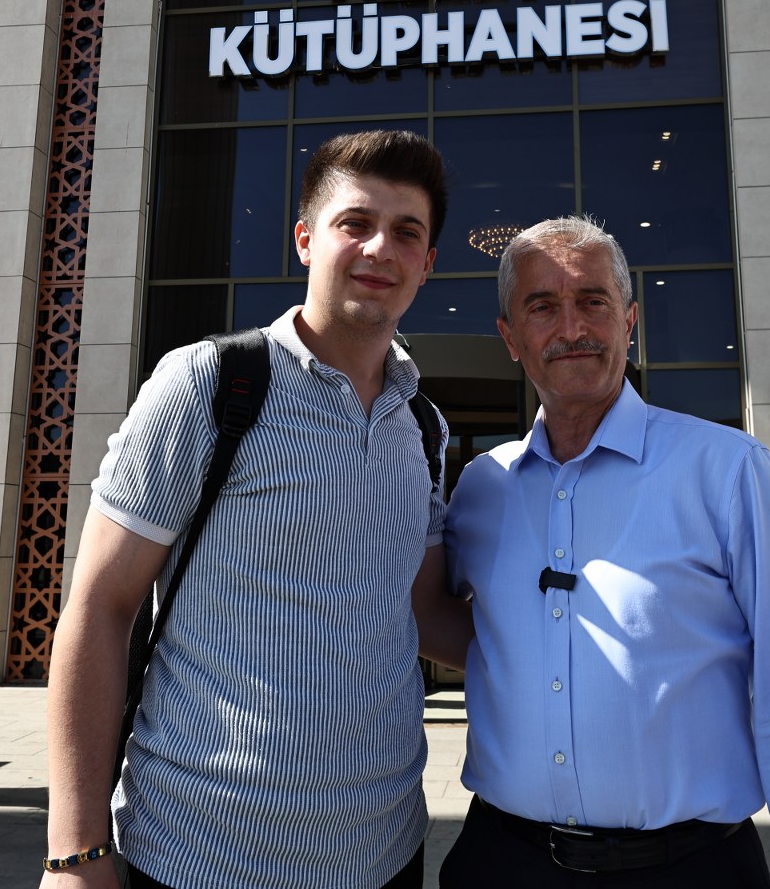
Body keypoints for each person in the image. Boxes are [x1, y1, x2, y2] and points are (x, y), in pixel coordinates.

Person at [42, 130, 465, 889]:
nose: (381, 247)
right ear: (305, 239)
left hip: (385, 852)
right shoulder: (210, 384)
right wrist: (75, 849)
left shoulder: (423, 427)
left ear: (428, 263)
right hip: (202, 853)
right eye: (355, 223)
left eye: (407, 232)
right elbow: (100, 606)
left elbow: (424, 609)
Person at [441, 217, 770, 888]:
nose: (572, 327)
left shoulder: (727, 470)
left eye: (593, 301)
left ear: (629, 321)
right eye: (542, 307)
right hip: (502, 863)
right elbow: (442, 616)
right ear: (511, 338)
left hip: (690, 869)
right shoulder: (483, 487)